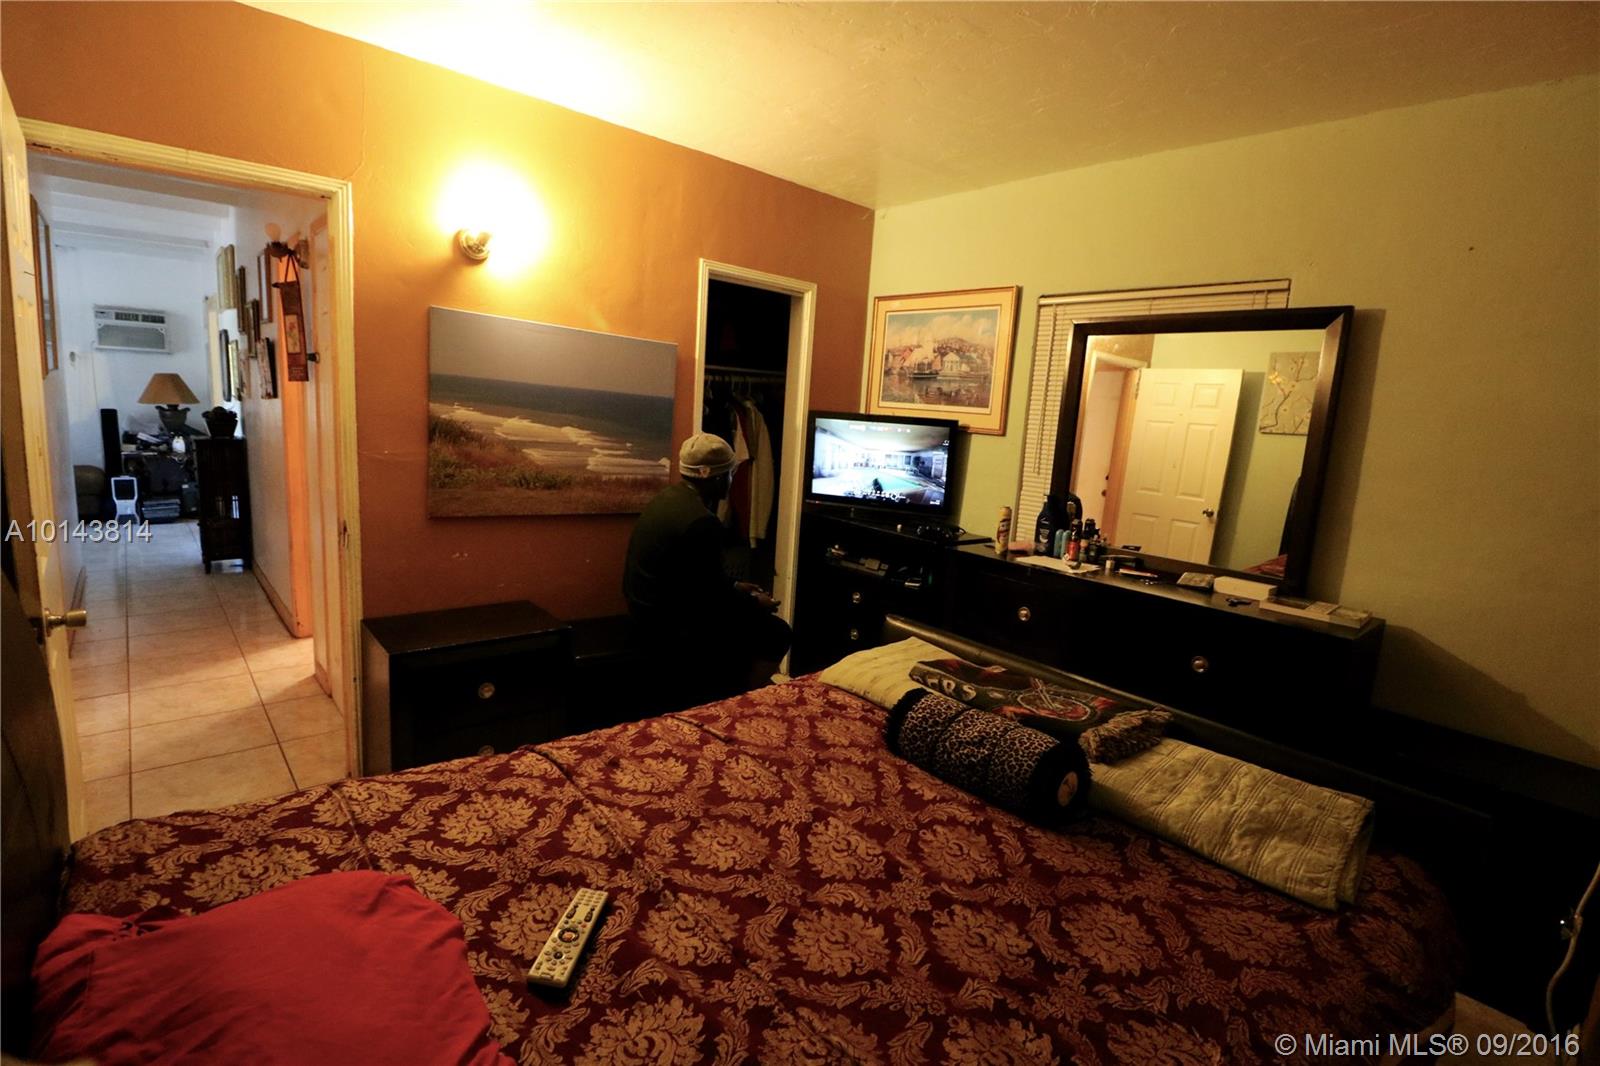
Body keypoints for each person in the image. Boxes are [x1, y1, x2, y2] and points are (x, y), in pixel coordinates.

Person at [623, 433, 792, 708]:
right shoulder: (702, 521)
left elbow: (693, 579)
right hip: (672, 626)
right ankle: (739, 700)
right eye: (730, 474)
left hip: (645, 610)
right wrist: (755, 603)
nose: (732, 481)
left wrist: (736, 587)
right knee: (777, 631)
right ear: (716, 478)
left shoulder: (666, 499)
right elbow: (710, 600)